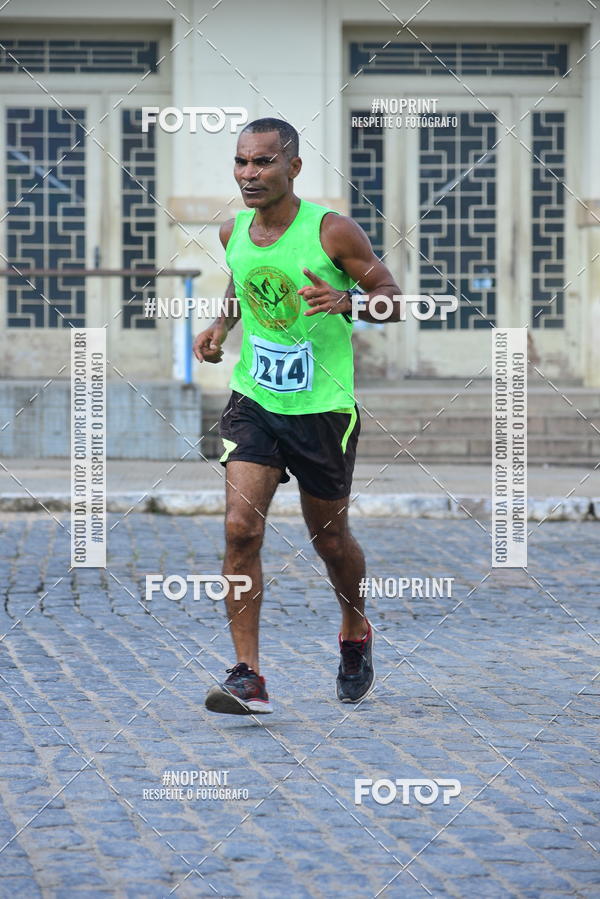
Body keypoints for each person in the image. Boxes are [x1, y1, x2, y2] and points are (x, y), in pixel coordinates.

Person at [193, 117, 401, 714]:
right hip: (254, 400)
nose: (249, 174)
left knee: (329, 539)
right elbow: (243, 279)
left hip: (322, 411)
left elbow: (393, 296)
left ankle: (355, 632)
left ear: (293, 167)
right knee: (240, 529)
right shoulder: (234, 228)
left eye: (262, 162)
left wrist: (351, 300)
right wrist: (220, 324)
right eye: (241, 162)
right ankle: (247, 674)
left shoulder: (332, 231)